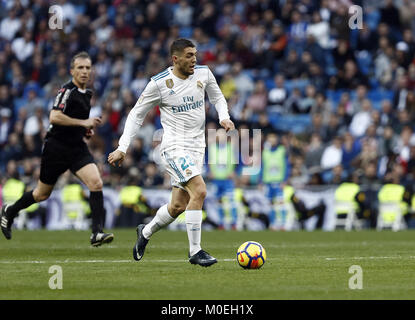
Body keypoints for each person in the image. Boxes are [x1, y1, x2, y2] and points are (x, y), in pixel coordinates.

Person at [108, 39, 235, 267]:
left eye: (195, 54)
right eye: (188, 55)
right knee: (200, 190)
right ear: (175, 59)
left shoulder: (204, 74)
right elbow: (137, 114)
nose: (194, 59)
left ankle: (144, 232)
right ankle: (195, 251)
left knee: (177, 206)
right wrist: (122, 147)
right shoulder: (159, 84)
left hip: (197, 147)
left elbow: (217, 97)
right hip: (174, 147)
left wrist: (224, 116)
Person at [1, 52, 114, 246]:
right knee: (41, 194)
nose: (85, 71)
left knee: (96, 183)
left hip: (76, 148)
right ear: (72, 71)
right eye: (80, 68)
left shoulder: (87, 93)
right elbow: (54, 117)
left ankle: (96, 233)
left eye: (88, 68)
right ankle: (10, 211)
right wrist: (84, 122)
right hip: (56, 148)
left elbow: (75, 122)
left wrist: (84, 130)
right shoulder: (67, 90)